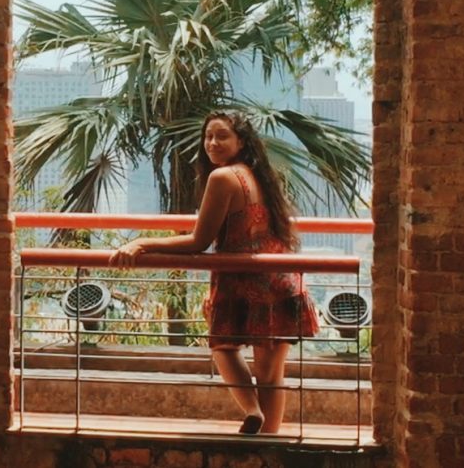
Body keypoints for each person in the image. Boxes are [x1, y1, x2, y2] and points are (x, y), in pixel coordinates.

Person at [110, 110, 319, 435]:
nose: (212, 143)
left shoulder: (222, 178)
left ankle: (253, 412)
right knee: (271, 375)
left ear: (241, 141)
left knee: (223, 347)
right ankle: (267, 445)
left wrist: (142, 243)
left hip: (246, 280)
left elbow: (199, 241)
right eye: (208, 136)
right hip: (281, 277)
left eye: (221, 136)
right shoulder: (257, 175)